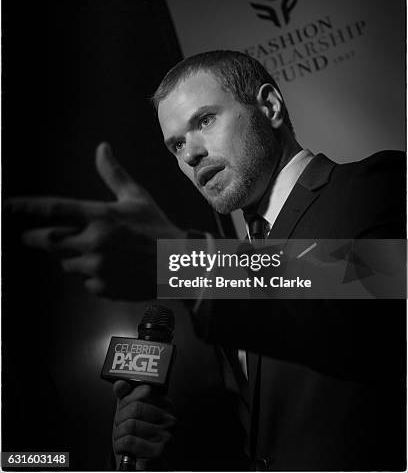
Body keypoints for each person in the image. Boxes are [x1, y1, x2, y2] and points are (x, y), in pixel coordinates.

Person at [7, 51, 406, 470]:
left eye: (205, 120)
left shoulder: (376, 183)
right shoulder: (234, 266)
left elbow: (375, 289)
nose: (191, 154)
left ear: (269, 107)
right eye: (176, 144)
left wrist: (181, 260)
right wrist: (154, 438)